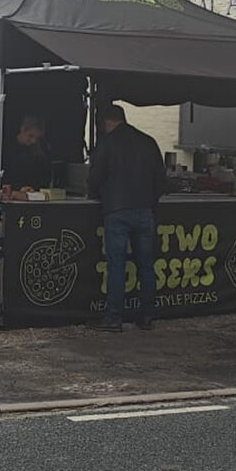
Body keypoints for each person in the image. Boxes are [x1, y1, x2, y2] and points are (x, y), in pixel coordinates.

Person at [87, 104, 167, 332]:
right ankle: (147, 316)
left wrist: (96, 194)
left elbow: (94, 179)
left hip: (116, 211)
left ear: (106, 123)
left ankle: (113, 318)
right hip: (144, 211)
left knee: (117, 266)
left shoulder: (106, 144)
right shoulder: (148, 141)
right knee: (146, 265)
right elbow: (161, 180)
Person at [3, 116, 52, 191]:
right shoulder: (6, 147)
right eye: (30, 136)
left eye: (37, 138)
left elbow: (43, 177)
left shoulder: (38, 152)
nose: (34, 141)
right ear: (23, 129)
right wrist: (18, 188)